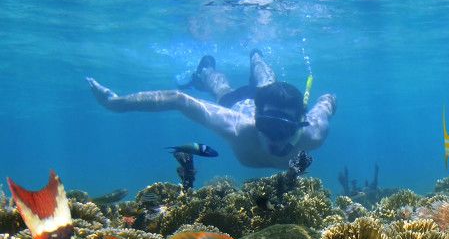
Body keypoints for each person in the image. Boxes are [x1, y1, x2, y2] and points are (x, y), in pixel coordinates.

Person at [87, 50, 336, 168]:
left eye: (284, 129)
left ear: (299, 125)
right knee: (226, 89)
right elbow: (178, 99)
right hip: (237, 104)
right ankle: (223, 65)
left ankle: (255, 58)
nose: (275, 138)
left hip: (270, 104)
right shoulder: (237, 127)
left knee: (268, 84)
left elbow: (328, 100)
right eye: (268, 126)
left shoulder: (313, 134)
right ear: (257, 120)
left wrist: (330, 101)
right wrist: (116, 104)